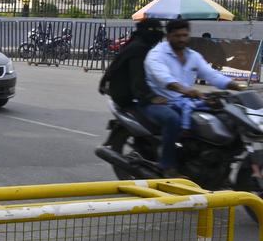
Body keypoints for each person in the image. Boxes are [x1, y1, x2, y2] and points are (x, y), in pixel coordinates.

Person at [143, 19, 246, 177]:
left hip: (186, 101)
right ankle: (166, 165)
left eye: (185, 35)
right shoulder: (157, 55)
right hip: (159, 100)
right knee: (172, 120)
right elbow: (165, 79)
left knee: (225, 115)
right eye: (177, 36)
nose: (182, 39)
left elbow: (212, 75)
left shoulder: (193, 56)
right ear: (168, 36)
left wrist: (237, 87)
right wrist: (187, 90)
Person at [99, 20, 163, 110]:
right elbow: (138, 78)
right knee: (170, 117)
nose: (158, 32)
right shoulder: (139, 48)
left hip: (127, 93)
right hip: (126, 97)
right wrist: (151, 97)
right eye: (152, 29)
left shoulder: (135, 42)